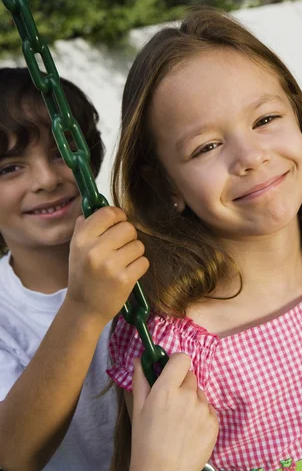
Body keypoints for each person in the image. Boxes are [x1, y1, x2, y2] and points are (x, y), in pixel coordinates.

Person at [105, 9, 302, 471]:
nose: (251, 157)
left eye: (265, 119)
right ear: (166, 186)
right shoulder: (173, 347)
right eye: (205, 147)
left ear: (299, 119)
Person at [0, 68, 217, 471]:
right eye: (9, 168)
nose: (46, 179)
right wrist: (84, 308)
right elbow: (10, 456)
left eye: (59, 152)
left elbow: (274, 233)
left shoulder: (150, 243)